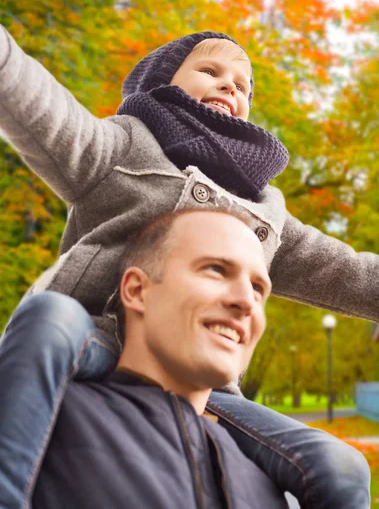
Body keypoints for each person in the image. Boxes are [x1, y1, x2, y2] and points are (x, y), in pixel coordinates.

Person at [0, 26, 374, 509]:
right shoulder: (122, 147)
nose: (230, 87)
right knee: (47, 318)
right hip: (93, 337)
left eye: (243, 86)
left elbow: (346, 271)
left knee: (341, 465)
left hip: (210, 384)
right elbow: (41, 105)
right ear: (162, 83)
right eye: (211, 71)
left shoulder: (265, 210)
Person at [31, 208, 291, 508]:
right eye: (216, 270)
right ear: (137, 290)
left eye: (258, 289)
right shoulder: (45, 423)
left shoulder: (266, 481)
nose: (246, 301)